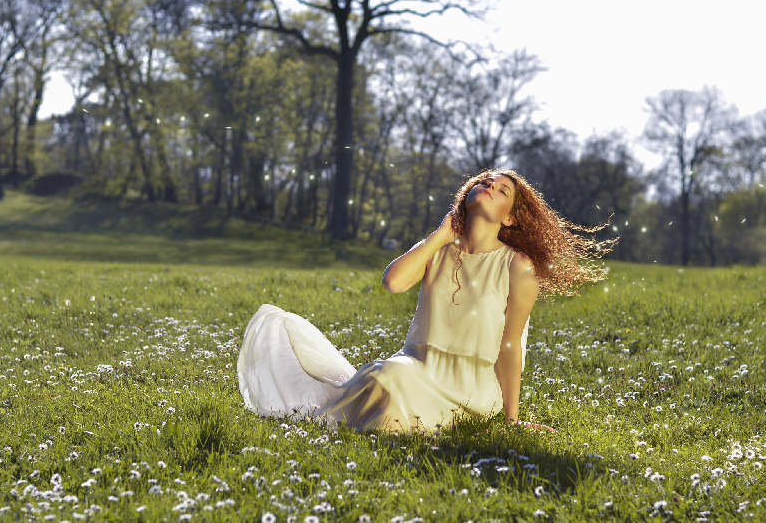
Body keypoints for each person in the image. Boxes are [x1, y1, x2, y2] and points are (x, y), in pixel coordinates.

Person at [237, 169, 615, 433]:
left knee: (389, 383)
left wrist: (512, 418)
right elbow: (394, 282)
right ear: (464, 196)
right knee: (386, 374)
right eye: (483, 182)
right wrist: (439, 236)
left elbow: (511, 344)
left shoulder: (518, 267)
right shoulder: (438, 249)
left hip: (471, 388)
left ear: (511, 218)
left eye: (501, 190)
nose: (489, 186)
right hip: (415, 367)